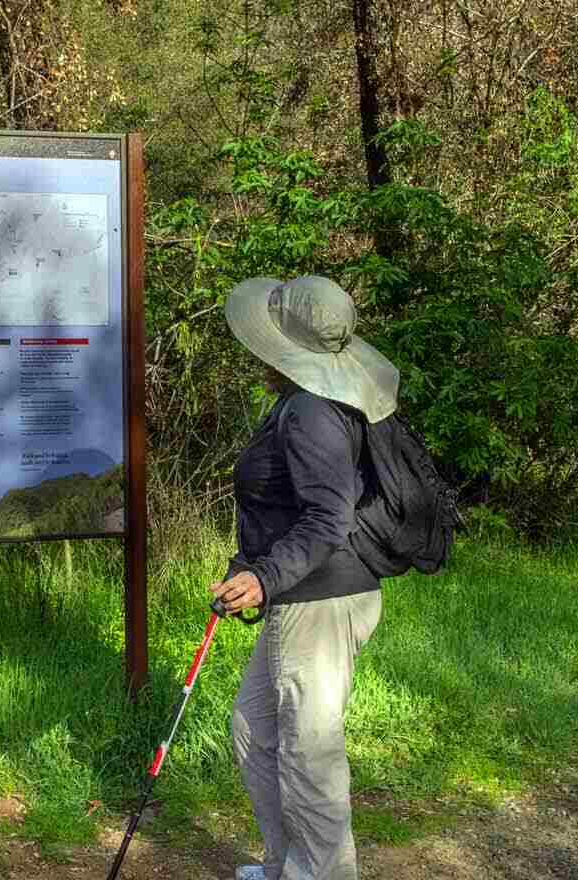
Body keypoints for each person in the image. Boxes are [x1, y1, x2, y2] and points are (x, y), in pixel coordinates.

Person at [209, 275, 400, 880]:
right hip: (303, 592)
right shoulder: (300, 401)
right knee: (254, 729)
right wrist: (254, 569)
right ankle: (288, 866)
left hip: (322, 600)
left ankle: (321, 875)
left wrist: (264, 578)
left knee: (308, 750)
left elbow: (327, 519)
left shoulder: (313, 412)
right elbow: (290, 509)